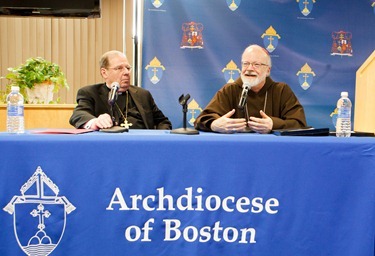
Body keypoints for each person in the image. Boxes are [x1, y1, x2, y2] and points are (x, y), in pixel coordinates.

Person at [194, 44, 307, 134]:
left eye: (256, 64)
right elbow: (201, 120)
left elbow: (299, 124)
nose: (249, 69)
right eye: (245, 64)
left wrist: (273, 124)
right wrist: (214, 125)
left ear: (268, 70)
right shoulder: (230, 90)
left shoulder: (282, 91)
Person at [69, 50, 172, 130]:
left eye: (128, 68)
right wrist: (95, 121)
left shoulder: (143, 94)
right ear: (104, 73)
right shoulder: (90, 93)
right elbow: (78, 115)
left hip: (142, 147)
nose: (126, 72)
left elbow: (163, 122)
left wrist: (157, 140)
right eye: (119, 68)